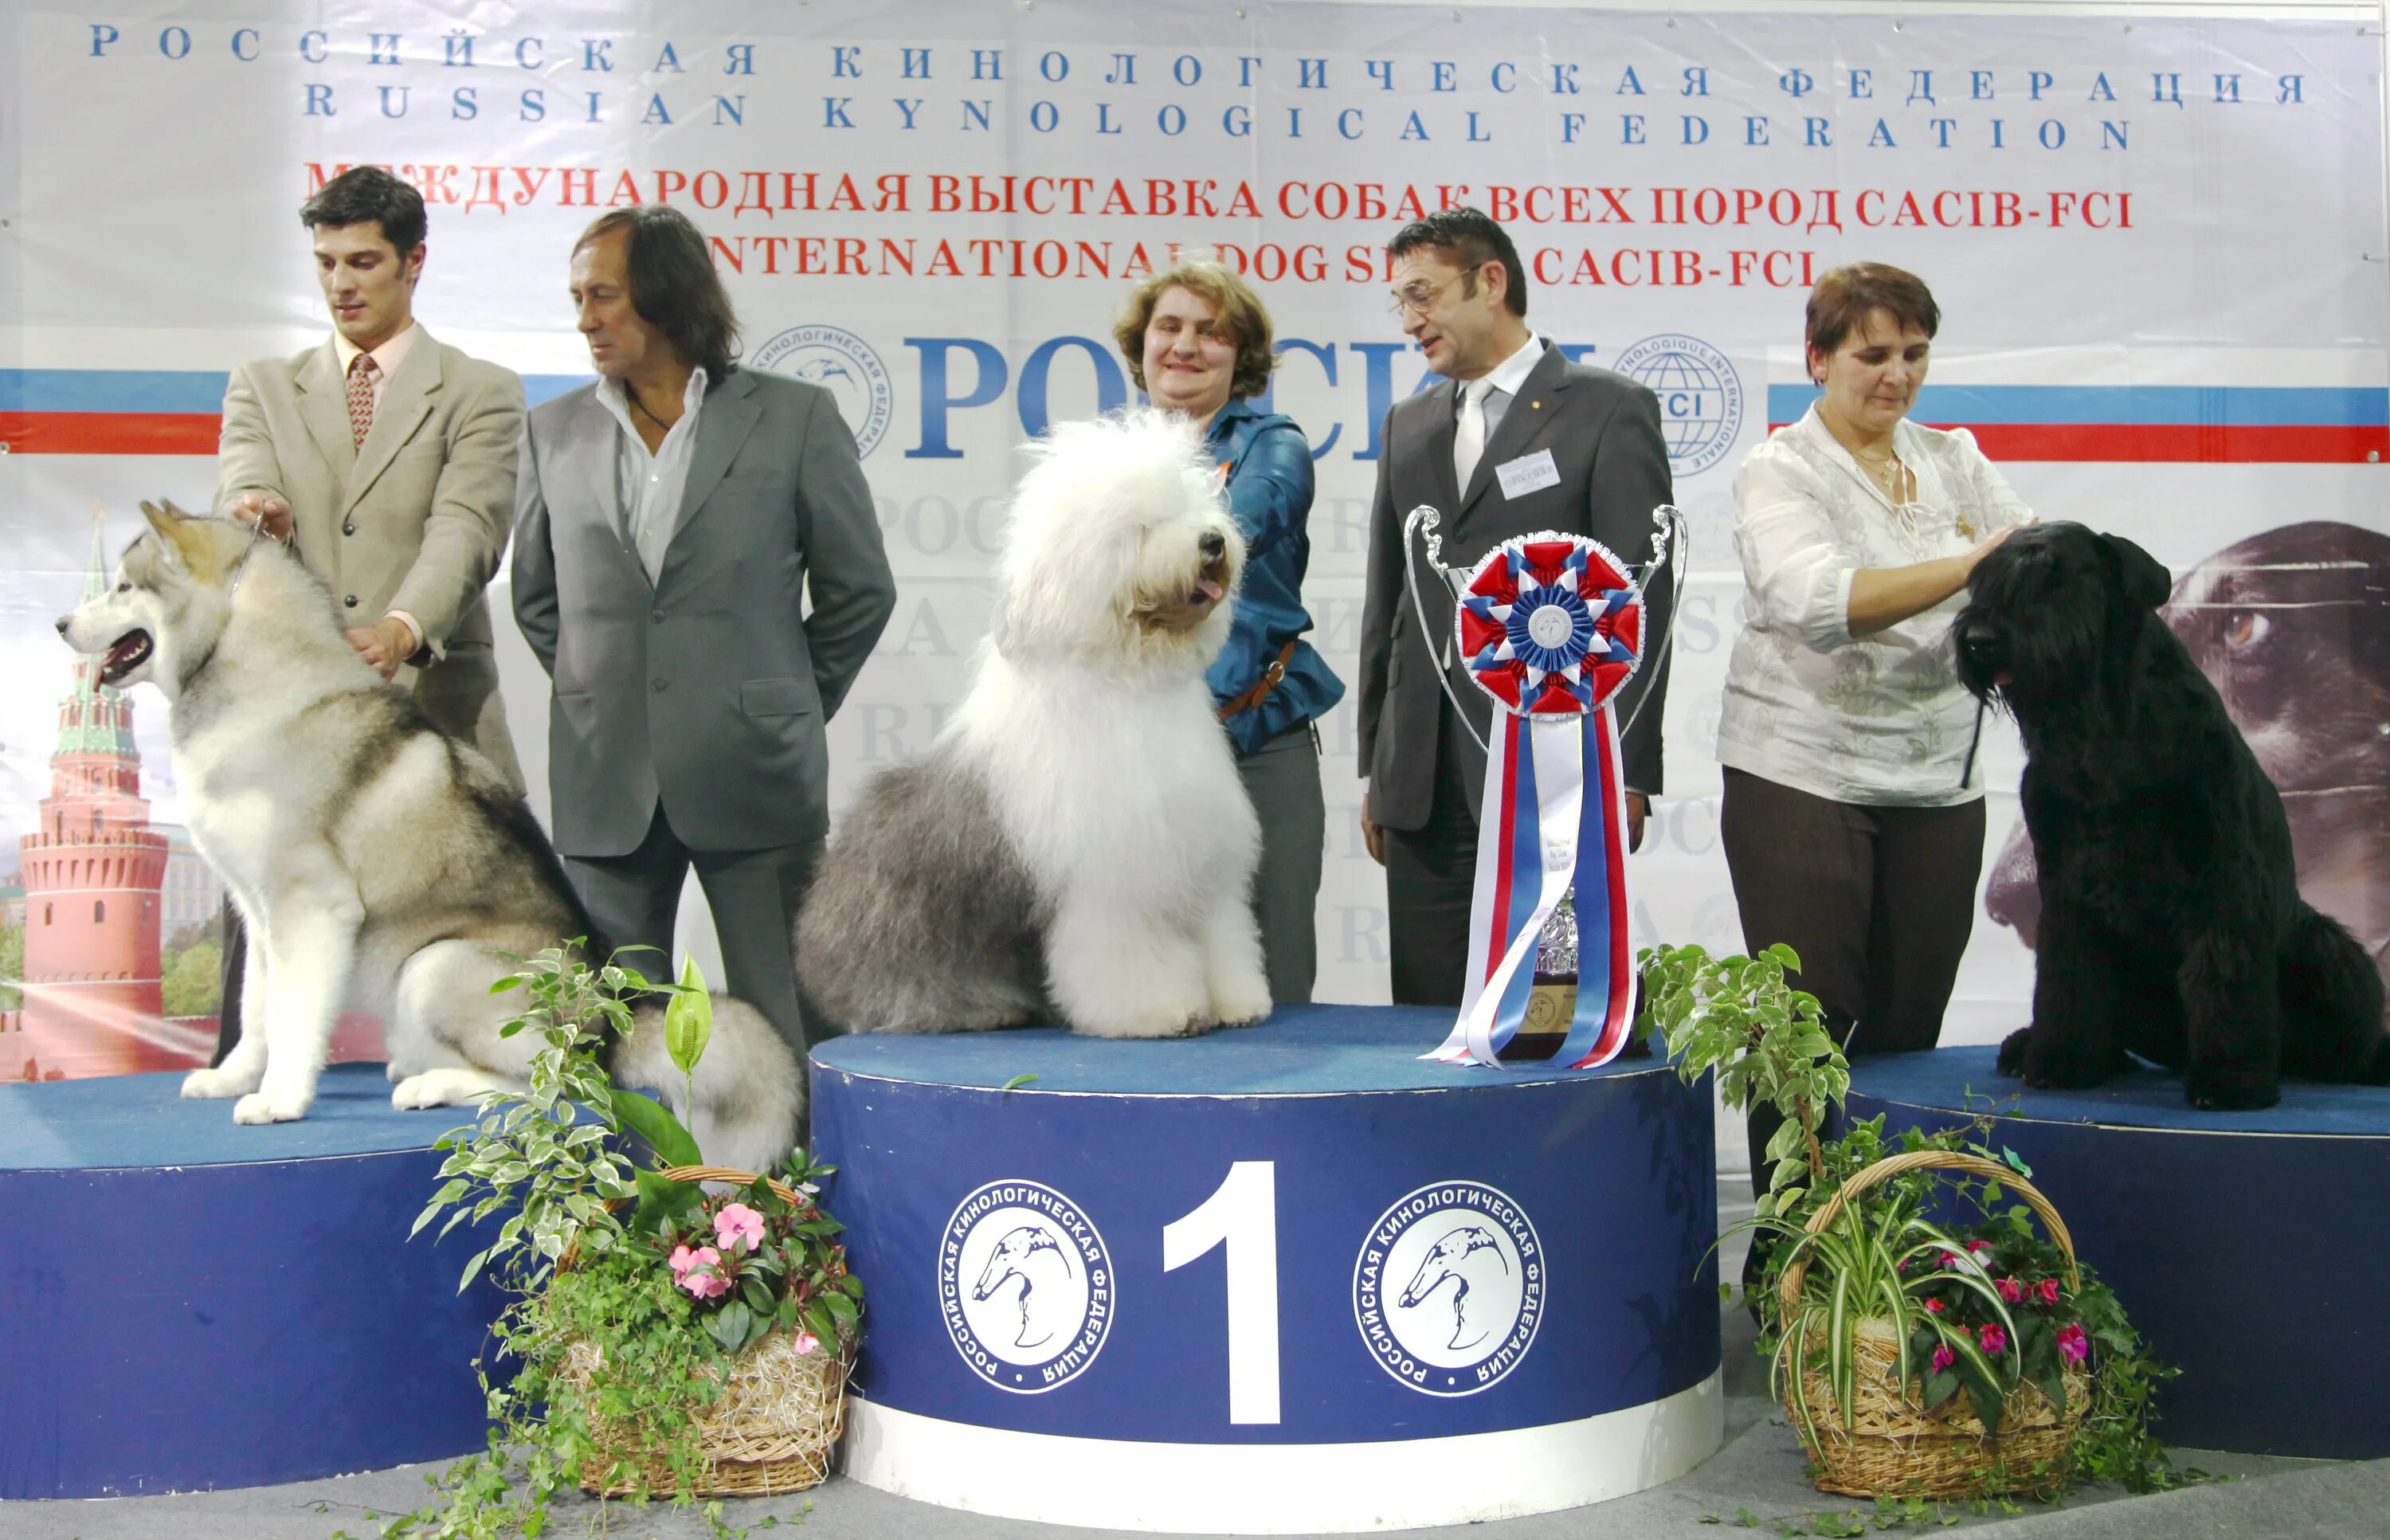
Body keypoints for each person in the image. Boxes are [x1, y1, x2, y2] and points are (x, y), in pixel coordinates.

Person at [511, 206, 896, 1059]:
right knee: (609, 1036)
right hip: (606, 779)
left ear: (666, 296)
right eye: (577, 298)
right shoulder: (550, 431)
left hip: (754, 772)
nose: (584, 320)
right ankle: (628, 1196)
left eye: (603, 296)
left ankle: (806, 1193)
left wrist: (783, 701)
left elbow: (859, 589)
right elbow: (539, 602)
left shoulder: (795, 418)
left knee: (793, 1022)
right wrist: (610, 693)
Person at [1718, 261, 2033, 1216]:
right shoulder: (1780, 468)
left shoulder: (1955, 457)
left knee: (1906, 1034)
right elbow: (1817, 603)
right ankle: (1792, 1263)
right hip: (1800, 775)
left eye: (1914, 353)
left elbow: (2028, 568)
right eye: (1872, 354)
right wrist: (1975, 560)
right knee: (1807, 1041)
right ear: (1818, 359)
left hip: (1939, 781)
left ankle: (1890, 1251)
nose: (1896, 374)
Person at [210, 165, 526, 1062]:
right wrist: (254, 513)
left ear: (413, 261)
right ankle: (251, 1067)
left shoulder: (481, 390)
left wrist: (402, 626)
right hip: (288, 725)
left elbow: (468, 527)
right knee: (265, 939)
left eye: (363, 261)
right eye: (325, 263)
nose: (341, 283)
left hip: (434, 715)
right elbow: (244, 480)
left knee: (464, 974)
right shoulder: (262, 386)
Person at [1354, 208, 1676, 1006]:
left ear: (1490, 282)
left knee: (1549, 1012)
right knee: (1427, 1022)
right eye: (1398, 302)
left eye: (1422, 296)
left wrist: (1626, 770)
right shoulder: (1408, 422)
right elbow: (1387, 600)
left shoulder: (1608, 408)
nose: (1409, 321)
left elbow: (1640, 595)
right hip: (1424, 784)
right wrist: (1378, 767)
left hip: (1557, 776)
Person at [1112, 258, 1343, 1004]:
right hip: (1127, 748)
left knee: (1272, 961)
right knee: (1136, 952)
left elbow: (1242, 522)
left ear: (1240, 357)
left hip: (1254, 737)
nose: (1185, 346)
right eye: (1169, 327)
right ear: (1140, 343)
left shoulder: (1274, 444)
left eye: (1211, 333)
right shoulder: (1102, 460)